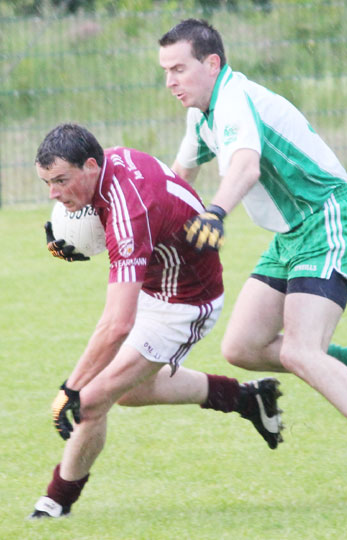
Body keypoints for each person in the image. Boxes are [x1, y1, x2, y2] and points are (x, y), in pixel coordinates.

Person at [158, 18, 347, 506]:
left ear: (212, 64)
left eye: (179, 69)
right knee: (243, 346)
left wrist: (216, 212)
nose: (171, 82)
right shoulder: (202, 115)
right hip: (291, 235)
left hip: (329, 218)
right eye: (165, 71)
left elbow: (244, 164)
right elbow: (177, 179)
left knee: (301, 351)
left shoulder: (235, 101)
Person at [29, 123, 284, 519]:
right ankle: (248, 398)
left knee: (93, 400)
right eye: (48, 183)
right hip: (158, 279)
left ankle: (55, 502)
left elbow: (117, 324)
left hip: (184, 301)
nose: (54, 194)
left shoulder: (131, 210)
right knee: (129, 390)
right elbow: (124, 221)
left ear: (91, 166)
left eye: (61, 181)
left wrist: (71, 388)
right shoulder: (111, 159)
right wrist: (73, 235)